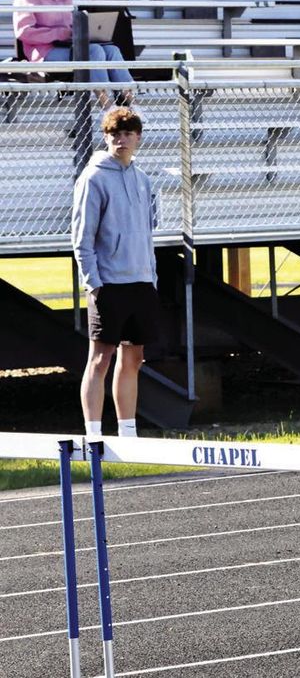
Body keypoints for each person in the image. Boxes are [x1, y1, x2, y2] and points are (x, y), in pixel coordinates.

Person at [71, 106, 158, 439]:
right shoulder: (93, 178)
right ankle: (93, 435)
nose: (121, 140)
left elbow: (147, 234)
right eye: (114, 134)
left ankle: (128, 433)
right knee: (100, 359)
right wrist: (94, 284)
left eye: (127, 134)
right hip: (108, 284)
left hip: (141, 282)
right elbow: (82, 238)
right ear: (106, 137)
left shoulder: (142, 178)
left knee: (133, 358)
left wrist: (151, 277)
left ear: (138, 138)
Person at [12, 0, 133, 108]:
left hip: (69, 46)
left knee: (112, 50)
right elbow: (24, 32)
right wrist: (60, 33)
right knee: (95, 51)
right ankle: (107, 106)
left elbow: (70, 26)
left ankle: (132, 105)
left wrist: (83, 32)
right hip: (42, 52)